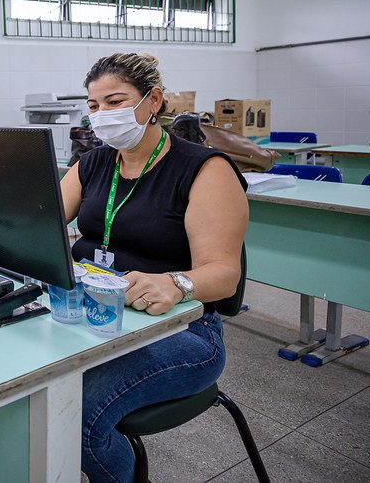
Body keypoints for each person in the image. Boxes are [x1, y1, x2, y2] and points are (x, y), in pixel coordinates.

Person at [59, 52, 248, 483]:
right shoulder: (92, 164)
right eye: (93, 106)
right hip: (98, 312)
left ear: (154, 100)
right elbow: (40, 221)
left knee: (77, 415)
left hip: (181, 330)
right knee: (34, 385)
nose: (102, 115)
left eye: (115, 102)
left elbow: (224, 274)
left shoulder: (203, 169)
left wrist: (178, 283)